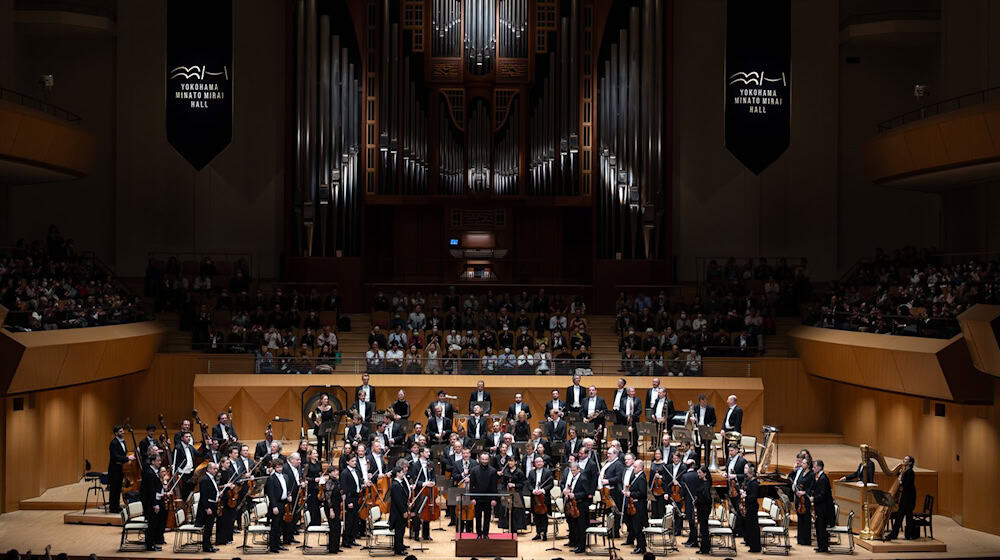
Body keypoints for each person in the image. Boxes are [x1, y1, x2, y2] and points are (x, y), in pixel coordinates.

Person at [140, 452, 167, 551]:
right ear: (152, 462)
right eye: (158, 461)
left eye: (160, 460)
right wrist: (155, 504)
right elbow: (151, 490)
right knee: (151, 525)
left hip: (153, 501)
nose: (160, 462)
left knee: (154, 524)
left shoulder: (153, 471)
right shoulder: (150, 473)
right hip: (150, 503)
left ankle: (153, 543)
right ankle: (150, 545)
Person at [564, 460, 592, 553]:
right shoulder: (573, 478)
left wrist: (575, 495)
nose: (572, 472)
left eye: (574, 470)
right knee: (576, 526)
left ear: (579, 470)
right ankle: (577, 545)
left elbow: (586, 492)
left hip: (581, 506)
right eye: (571, 470)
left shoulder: (583, 478)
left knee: (581, 527)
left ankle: (582, 547)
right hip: (575, 506)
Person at [470, 452, 498, 539]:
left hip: (488, 498)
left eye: (486, 459)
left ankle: (485, 533)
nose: (484, 461)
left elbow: (494, 486)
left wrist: (494, 499)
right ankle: (478, 533)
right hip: (477, 498)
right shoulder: (474, 470)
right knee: (478, 517)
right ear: (479, 459)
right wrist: (472, 498)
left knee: (487, 517)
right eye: (483, 459)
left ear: (489, 460)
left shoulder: (493, 471)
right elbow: (472, 485)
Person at [195, 462, 223, 552]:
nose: (216, 470)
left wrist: (218, 494)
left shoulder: (211, 478)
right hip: (208, 507)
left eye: (216, 469)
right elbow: (204, 496)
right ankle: (206, 547)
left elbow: (212, 491)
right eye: (214, 469)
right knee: (207, 528)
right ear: (209, 469)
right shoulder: (205, 479)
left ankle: (209, 545)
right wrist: (207, 508)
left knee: (210, 527)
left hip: (213, 505)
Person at [623, 458, 648, 555]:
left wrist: (630, 494)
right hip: (635, 505)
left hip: (639, 506)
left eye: (635, 467)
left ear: (641, 468)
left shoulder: (641, 477)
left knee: (638, 528)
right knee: (636, 527)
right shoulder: (636, 476)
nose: (633, 468)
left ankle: (641, 547)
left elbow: (642, 493)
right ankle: (640, 546)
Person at [889, 455, 917, 540]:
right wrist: (895, 471)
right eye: (904, 459)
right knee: (901, 516)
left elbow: (905, 485)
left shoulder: (911, 472)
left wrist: (900, 480)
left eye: (906, 459)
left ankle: (905, 535)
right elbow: (897, 474)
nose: (904, 460)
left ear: (910, 462)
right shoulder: (905, 471)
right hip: (905, 497)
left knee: (906, 516)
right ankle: (897, 534)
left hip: (909, 497)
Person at [789, 453, 814, 545]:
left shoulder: (811, 475)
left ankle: (806, 540)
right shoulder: (801, 472)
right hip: (799, 499)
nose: (801, 464)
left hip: (806, 500)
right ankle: (800, 539)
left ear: (808, 465)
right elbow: (797, 482)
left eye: (803, 463)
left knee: (806, 520)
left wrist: (804, 492)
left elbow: (812, 488)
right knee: (800, 520)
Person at [264, 458, 289, 553]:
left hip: (283, 503)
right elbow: (271, 494)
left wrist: (288, 496)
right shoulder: (271, 478)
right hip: (276, 504)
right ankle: (273, 546)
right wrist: (274, 506)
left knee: (280, 526)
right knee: (275, 526)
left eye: (281, 467)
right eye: (278, 467)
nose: (280, 469)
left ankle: (278, 544)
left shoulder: (285, 476)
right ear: (274, 468)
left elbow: (286, 489)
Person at [527, 456, 553, 541]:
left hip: (544, 497)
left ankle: (544, 533)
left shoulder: (548, 472)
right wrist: (533, 490)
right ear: (534, 463)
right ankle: (538, 533)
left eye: (540, 462)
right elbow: (529, 484)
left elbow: (550, 484)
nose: (538, 463)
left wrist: (542, 490)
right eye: (537, 462)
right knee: (536, 515)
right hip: (534, 496)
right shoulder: (531, 472)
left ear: (543, 463)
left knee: (544, 516)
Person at [812, 459, 834, 553]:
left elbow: (823, 494)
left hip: (824, 509)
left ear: (820, 467)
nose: (813, 468)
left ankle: (823, 547)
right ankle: (820, 545)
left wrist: (814, 499)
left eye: (815, 466)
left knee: (822, 528)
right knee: (818, 527)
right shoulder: (820, 477)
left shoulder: (823, 478)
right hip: (820, 508)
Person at [389, 464, 411, 555]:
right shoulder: (395, 485)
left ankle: (400, 546)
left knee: (401, 530)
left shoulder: (398, 483)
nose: (403, 474)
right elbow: (398, 501)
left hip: (400, 511)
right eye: (402, 472)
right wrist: (404, 511)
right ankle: (398, 550)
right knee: (399, 531)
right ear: (397, 474)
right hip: (398, 513)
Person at [341, 454, 362, 548]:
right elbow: (344, 489)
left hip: (357, 498)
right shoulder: (344, 473)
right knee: (349, 521)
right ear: (347, 462)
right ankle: (345, 541)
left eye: (355, 461)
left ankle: (352, 539)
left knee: (355, 520)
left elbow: (358, 483)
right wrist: (348, 502)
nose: (355, 463)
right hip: (350, 499)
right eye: (353, 461)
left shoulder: (357, 471)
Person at [108, 425, 129, 514]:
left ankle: (117, 506)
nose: (122, 432)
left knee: (118, 489)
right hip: (114, 469)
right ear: (116, 433)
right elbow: (115, 456)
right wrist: (128, 459)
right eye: (120, 431)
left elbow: (124, 453)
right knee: (114, 489)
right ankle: (112, 508)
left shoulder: (123, 442)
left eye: (122, 431)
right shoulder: (113, 443)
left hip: (120, 468)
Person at [741, 462, 761, 552]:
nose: (747, 475)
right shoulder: (750, 482)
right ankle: (752, 545)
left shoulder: (754, 484)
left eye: (748, 474)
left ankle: (755, 547)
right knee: (750, 527)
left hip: (752, 508)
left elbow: (753, 497)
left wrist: (745, 495)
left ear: (751, 474)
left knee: (753, 528)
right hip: (749, 507)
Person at [323, 465, 342, 553]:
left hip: (337, 506)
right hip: (331, 507)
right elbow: (328, 497)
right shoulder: (329, 482)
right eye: (334, 471)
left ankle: (336, 546)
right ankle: (332, 548)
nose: (336, 472)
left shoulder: (337, 481)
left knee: (337, 527)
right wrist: (331, 509)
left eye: (336, 471)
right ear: (330, 473)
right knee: (333, 527)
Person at [312, 394, 335, 460]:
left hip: (327, 427)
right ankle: (319, 458)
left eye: (327, 399)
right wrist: (315, 422)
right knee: (319, 443)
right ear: (321, 400)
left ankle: (327, 458)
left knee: (327, 443)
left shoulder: (330, 408)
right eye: (325, 399)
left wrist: (331, 426)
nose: (326, 400)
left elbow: (332, 418)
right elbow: (313, 417)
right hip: (319, 428)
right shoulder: (317, 408)